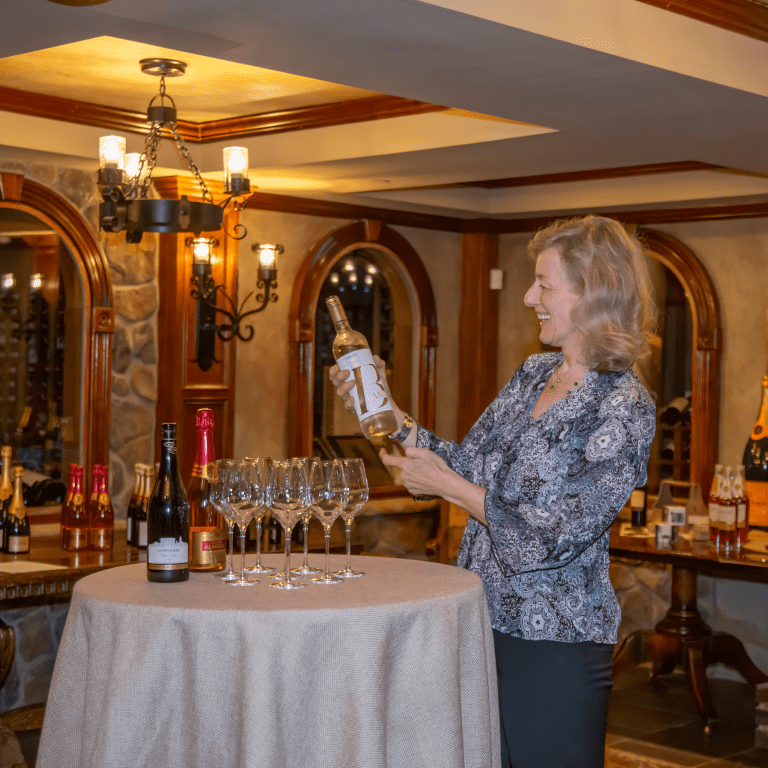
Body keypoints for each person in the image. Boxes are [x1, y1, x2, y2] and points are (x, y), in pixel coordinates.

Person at [329, 214, 657, 768]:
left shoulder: (624, 407)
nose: (530, 296)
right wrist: (378, 406)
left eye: (545, 284)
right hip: (481, 621)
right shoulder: (533, 373)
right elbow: (466, 464)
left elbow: (550, 539)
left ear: (593, 294)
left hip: (555, 643)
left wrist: (448, 486)